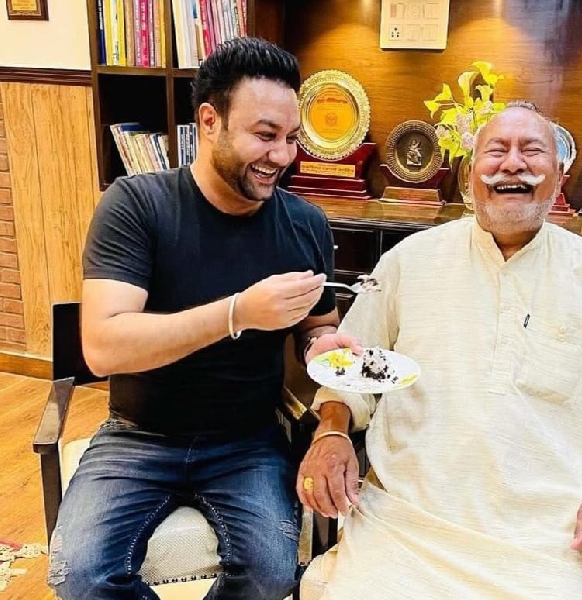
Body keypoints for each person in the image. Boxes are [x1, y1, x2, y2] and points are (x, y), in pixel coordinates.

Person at [297, 101, 582, 599]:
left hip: (546, 539)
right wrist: (331, 430)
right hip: (405, 524)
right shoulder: (409, 261)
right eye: (496, 151)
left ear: (559, 177)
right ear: (471, 176)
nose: (512, 163)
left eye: (531, 151)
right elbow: (352, 370)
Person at [47, 37, 356, 600]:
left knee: (270, 574)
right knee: (80, 576)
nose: (282, 156)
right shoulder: (137, 205)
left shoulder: (305, 224)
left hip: (248, 441)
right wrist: (238, 312)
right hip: (138, 436)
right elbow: (104, 346)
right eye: (265, 135)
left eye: (291, 138)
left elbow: (318, 325)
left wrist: (324, 347)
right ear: (210, 122)